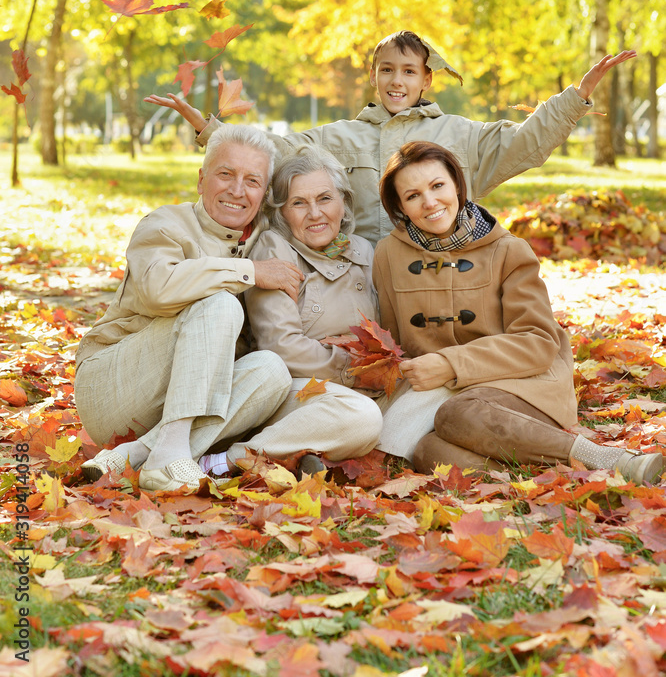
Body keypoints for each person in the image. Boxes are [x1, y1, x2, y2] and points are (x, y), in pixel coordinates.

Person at [145, 31, 635, 246]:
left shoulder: (459, 134)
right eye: (386, 70)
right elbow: (271, 152)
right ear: (374, 77)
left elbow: (528, 143)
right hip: (358, 283)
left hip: (437, 280)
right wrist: (209, 129)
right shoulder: (341, 136)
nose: (396, 81)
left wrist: (576, 96)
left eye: (408, 71)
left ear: (426, 79)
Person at [372, 140, 664, 484]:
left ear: (457, 185)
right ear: (401, 207)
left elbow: (538, 343)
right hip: (442, 391)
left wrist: (452, 363)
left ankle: (603, 457)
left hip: (523, 381)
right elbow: (393, 341)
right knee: (427, 451)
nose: (430, 202)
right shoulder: (389, 255)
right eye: (413, 195)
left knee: (457, 415)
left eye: (438, 186)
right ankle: (552, 479)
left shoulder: (509, 250)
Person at [76, 124, 305, 493]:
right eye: (225, 174)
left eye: (252, 181)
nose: (236, 190)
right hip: (113, 387)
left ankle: (143, 454)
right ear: (201, 179)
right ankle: (167, 456)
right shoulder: (164, 224)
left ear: (264, 194)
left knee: (273, 372)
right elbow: (158, 290)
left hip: (191, 396)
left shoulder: (267, 238)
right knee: (220, 305)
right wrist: (250, 272)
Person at [199, 145, 383, 478]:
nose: (315, 214)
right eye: (299, 203)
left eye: (325, 199)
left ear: (344, 203)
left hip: (366, 386)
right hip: (299, 388)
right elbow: (281, 347)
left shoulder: (364, 251)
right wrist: (353, 365)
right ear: (282, 212)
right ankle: (231, 459)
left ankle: (304, 456)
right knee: (362, 416)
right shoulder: (276, 249)